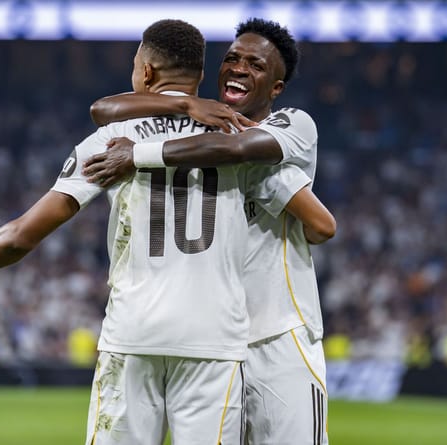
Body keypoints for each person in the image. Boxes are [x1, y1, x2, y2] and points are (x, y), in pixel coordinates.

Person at [0, 19, 313, 445]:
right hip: (215, 340)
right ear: (202, 76)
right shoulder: (237, 135)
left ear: (145, 72)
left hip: (132, 334)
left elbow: (21, 236)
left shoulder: (111, 139)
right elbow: (319, 220)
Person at [83, 18, 333, 444]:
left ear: (276, 87)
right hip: (216, 335)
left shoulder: (289, 126)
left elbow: (322, 224)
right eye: (232, 58)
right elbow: (102, 110)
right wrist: (184, 106)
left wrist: (138, 154)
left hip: (278, 333)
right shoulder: (205, 127)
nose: (239, 68)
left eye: (255, 65)